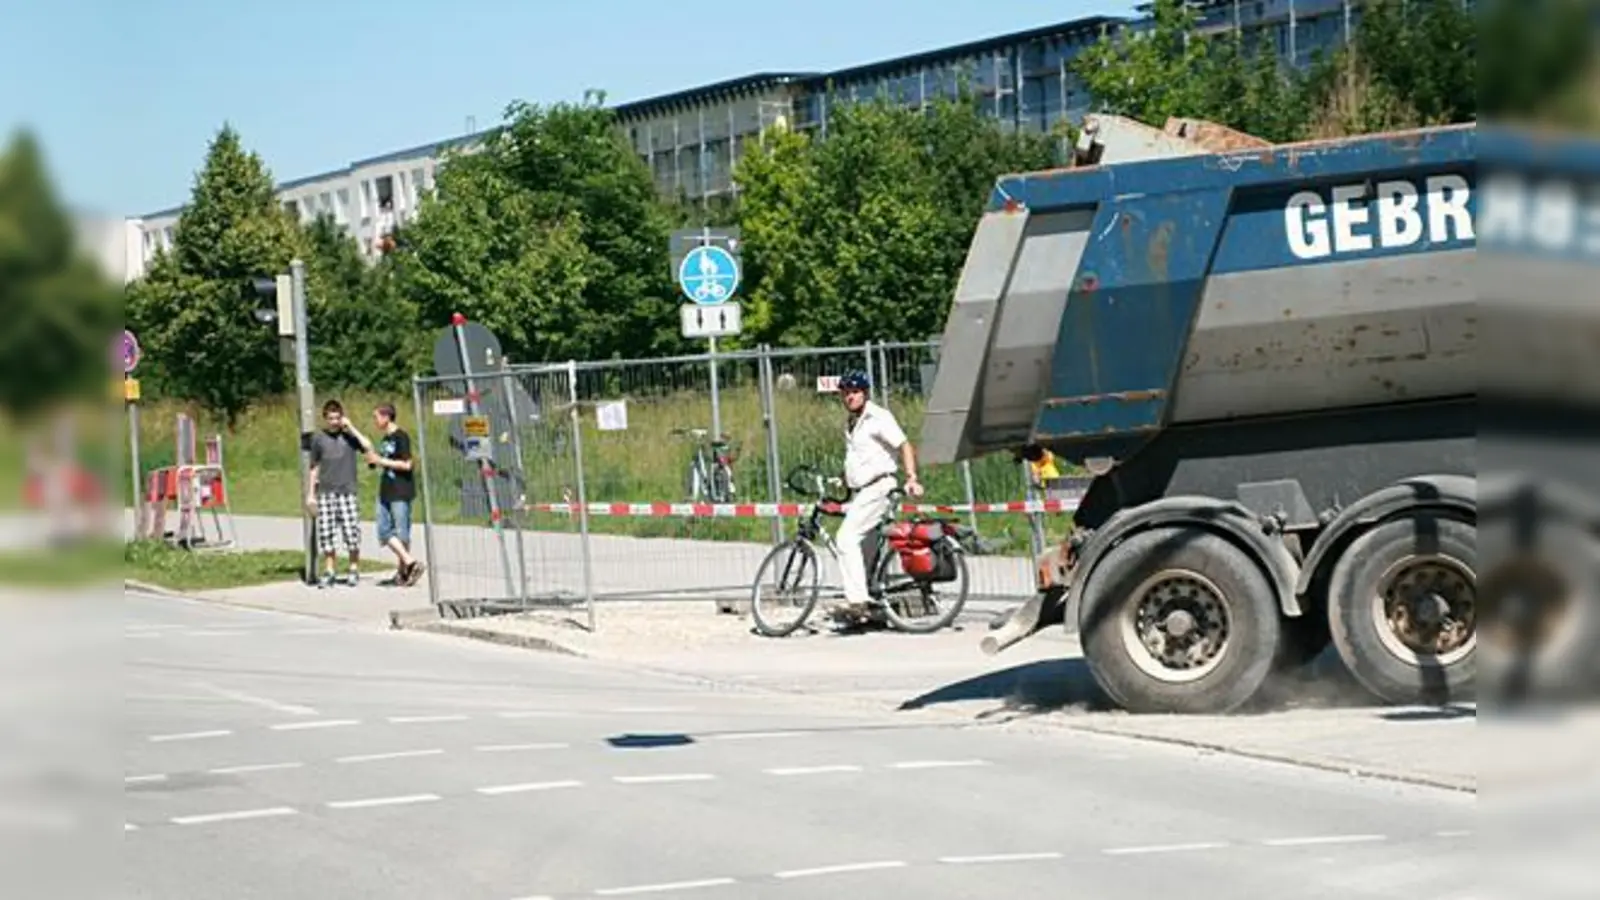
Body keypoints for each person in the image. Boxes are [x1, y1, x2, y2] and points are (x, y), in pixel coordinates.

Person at [833, 371, 923, 614]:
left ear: (865, 393)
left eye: (854, 392)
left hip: (879, 487)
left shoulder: (878, 417)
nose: (849, 397)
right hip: (861, 490)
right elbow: (861, 456)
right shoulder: (852, 422)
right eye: (846, 393)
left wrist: (912, 477)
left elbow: (904, 444)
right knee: (865, 548)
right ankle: (872, 601)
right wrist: (843, 479)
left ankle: (857, 601)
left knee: (846, 539)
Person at [307, 399, 368, 588]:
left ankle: (353, 568)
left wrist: (351, 428)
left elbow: (367, 446)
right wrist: (311, 493)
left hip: (347, 490)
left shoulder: (349, 437)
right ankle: (330, 570)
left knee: (351, 532)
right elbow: (314, 467)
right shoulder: (318, 438)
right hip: (326, 491)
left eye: (337, 418)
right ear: (325, 419)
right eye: (330, 418)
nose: (334, 421)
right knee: (327, 533)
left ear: (342, 417)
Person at [365, 403, 426, 587]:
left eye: (376, 417)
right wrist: (375, 460)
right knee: (383, 530)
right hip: (386, 489)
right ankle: (410, 563)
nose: (375, 421)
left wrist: (381, 460)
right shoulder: (386, 439)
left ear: (386, 417)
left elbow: (407, 464)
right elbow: (385, 461)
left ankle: (404, 572)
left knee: (402, 533)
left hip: (401, 489)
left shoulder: (401, 436)